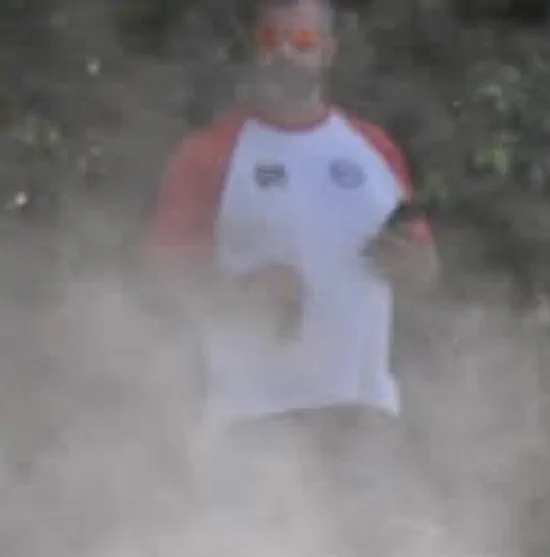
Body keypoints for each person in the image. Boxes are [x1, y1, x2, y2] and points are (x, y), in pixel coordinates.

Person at [143, 0, 438, 502]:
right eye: (270, 41)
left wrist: (411, 264)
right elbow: (160, 279)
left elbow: (426, 268)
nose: (283, 53)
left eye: (300, 42)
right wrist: (239, 294)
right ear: (255, 51)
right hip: (254, 418)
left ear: (328, 51)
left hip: (362, 414)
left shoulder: (374, 148)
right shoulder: (210, 153)